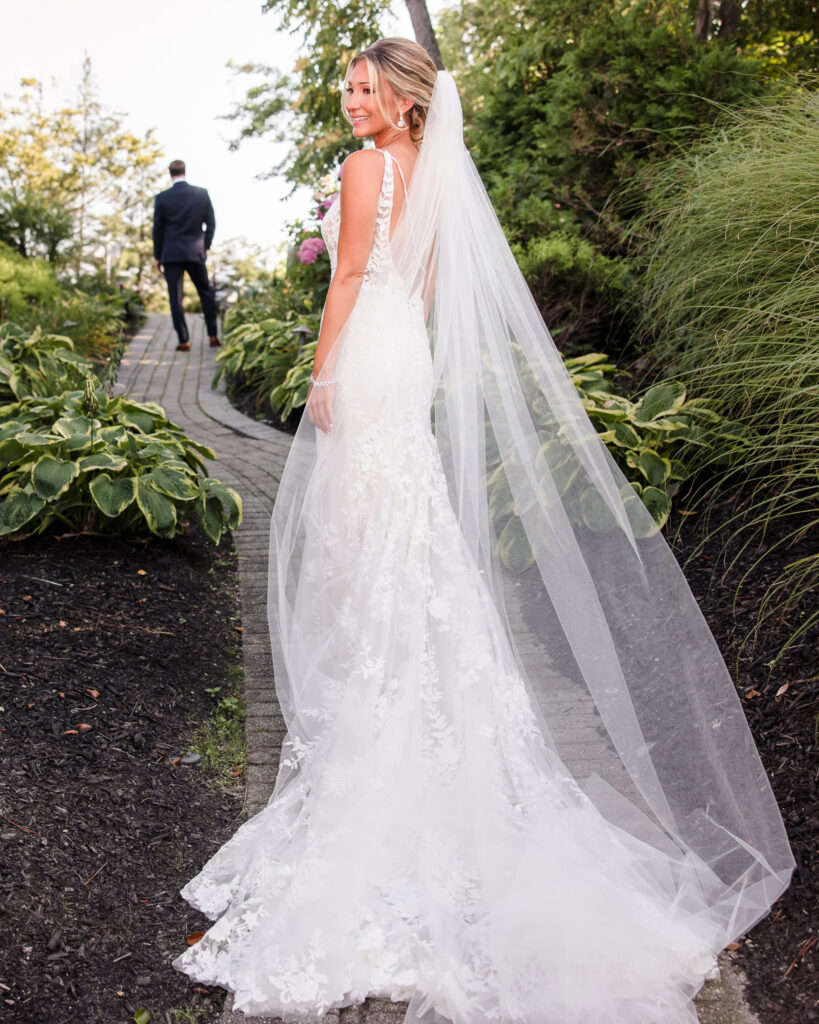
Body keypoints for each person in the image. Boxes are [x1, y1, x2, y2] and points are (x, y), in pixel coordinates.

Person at [173, 39, 793, 1024]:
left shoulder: (367, 168)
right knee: (403, 530)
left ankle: (377, 737)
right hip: (405, 358)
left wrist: (326, 370)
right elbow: (418, 291)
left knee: (359, 538)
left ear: (406, 100)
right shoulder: (438, 173)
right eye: (349, 85)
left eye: (365, 86)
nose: (351, 98)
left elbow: (346, 282)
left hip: (368, 361)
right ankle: (420, 716)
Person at [152, 159, 221, 352]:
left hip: (171, 254)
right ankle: (213, 336)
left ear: (170, 173)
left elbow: (157, 229)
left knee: (175, 298)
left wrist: (157, 255)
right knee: (205, 294)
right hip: (195, 252)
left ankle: (184, 340)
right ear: (185, 171)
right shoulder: (201, 194)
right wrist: (204, 246)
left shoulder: (162, 198)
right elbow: (212, 224)